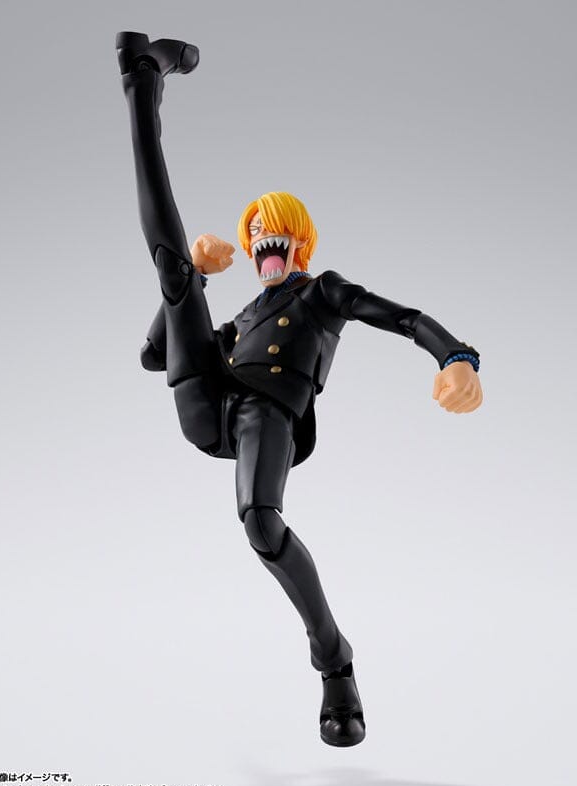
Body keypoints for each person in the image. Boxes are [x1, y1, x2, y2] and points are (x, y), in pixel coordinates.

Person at [116, 31, 483, 748]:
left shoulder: (322, 292)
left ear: (298, 243)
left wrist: (457, 356)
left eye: (274, 237)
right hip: (212, 401)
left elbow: (404, 317)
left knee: (261, 524)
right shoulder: (243, 315)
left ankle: (334, 661)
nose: (262, 245)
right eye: (256, 237)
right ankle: (141, 80)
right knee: (173, 271)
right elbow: (153, 356)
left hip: (271, 410)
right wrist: (196, 278)